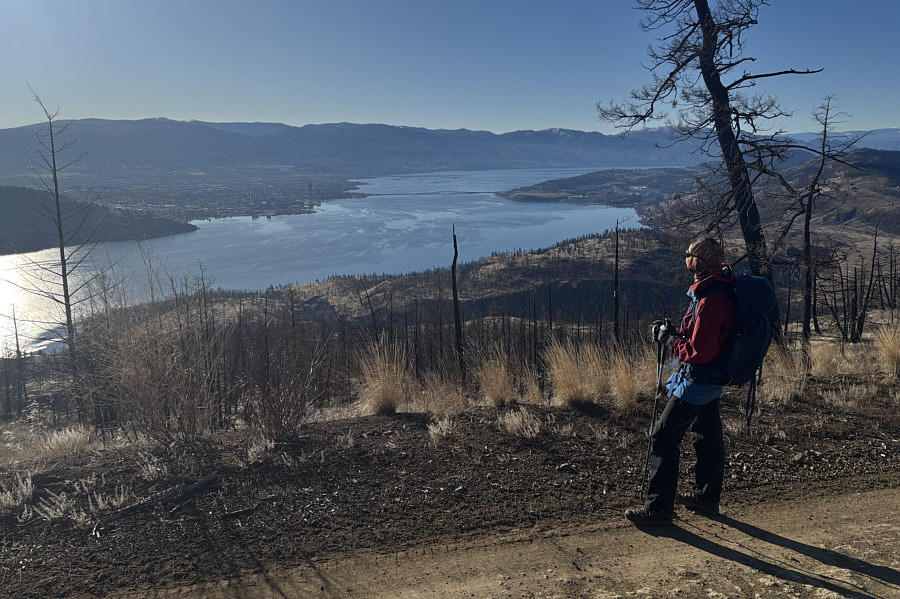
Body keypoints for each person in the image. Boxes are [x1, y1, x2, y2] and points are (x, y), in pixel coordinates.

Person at [625, 236, 736, 525]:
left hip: (698, 380)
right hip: (711, 378)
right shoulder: (713, 290)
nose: (686, 258)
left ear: (698, 261)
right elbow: (700, 338)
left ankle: (659, 509)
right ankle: (706, 497)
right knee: (706, 433)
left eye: (689, 254)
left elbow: (699, 352)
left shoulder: (713, 298)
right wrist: (676, 333)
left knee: (662, 436)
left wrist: (670, 339)